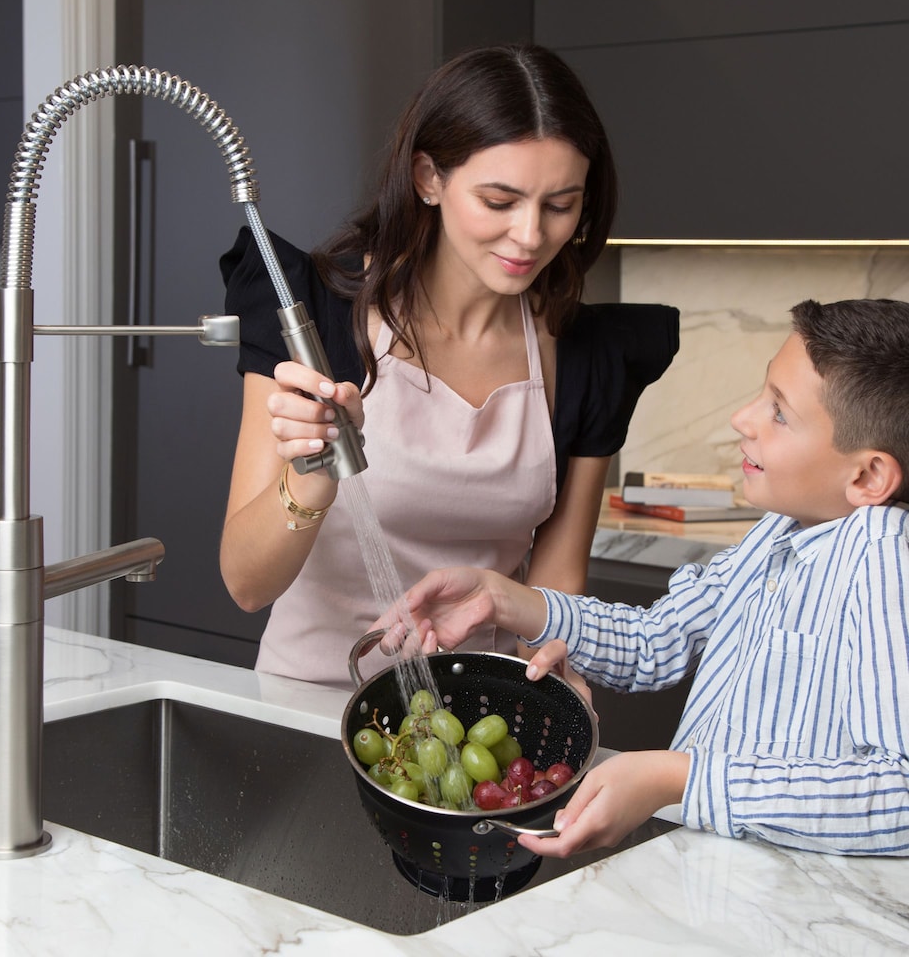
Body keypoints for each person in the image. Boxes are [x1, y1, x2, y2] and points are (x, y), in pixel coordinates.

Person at [377, 298, 909, 857]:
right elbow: (658, 639)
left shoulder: (884, 561)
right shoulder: (778, 532)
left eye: (778, 412)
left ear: (869, 475)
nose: (742, 418)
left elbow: (900, 790)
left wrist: (678, 778)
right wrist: (503, 598)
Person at [219, 43, 679, 689]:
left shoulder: (584, 356)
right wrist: (312, 476)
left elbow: (554, 592)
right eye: (500, 200)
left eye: (559, 204)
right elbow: (245, 581)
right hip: (306, 712)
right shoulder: (316, 317)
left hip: (477, 730)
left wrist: (553, 684)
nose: (529, 235)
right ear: (429, 177)